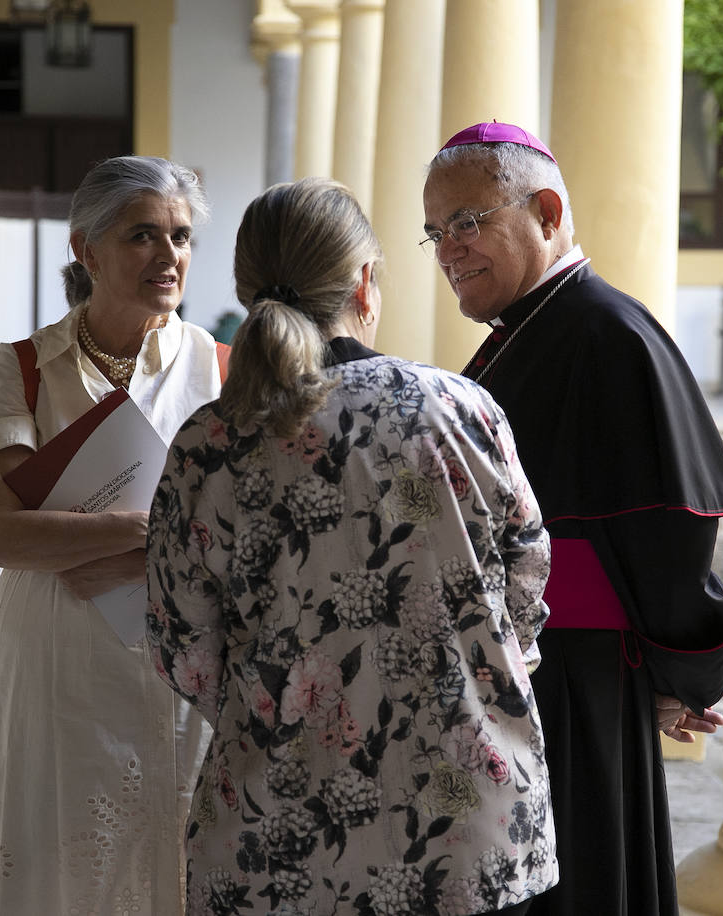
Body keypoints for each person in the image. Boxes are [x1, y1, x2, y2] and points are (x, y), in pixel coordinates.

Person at [146, 178, 558, 916]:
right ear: (365, 283)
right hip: (465, 833)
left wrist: (286, 704)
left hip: (271, 843)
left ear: (247, 291)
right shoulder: (458, 409)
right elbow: (525, 580)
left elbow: (184, 650)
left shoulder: (208, 444)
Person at [423, 122, 723, 916]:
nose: (447, 249)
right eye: (435, 232)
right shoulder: (521, 337)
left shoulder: (610, 333)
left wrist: (682, 673)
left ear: (544, 209)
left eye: (467, 223)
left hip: (579, 684)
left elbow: (671, 530)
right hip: (516, 675)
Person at [0, 156, 222, 915]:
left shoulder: (220, 370)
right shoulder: (25, 370)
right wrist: (147, 528)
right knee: (53, 852)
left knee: (167, 851)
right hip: (54, 657)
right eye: (143, 235)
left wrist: (78, 536)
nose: (168, 256)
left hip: (173, 661)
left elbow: (240, 535)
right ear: (88, 250)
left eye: (180, 237)